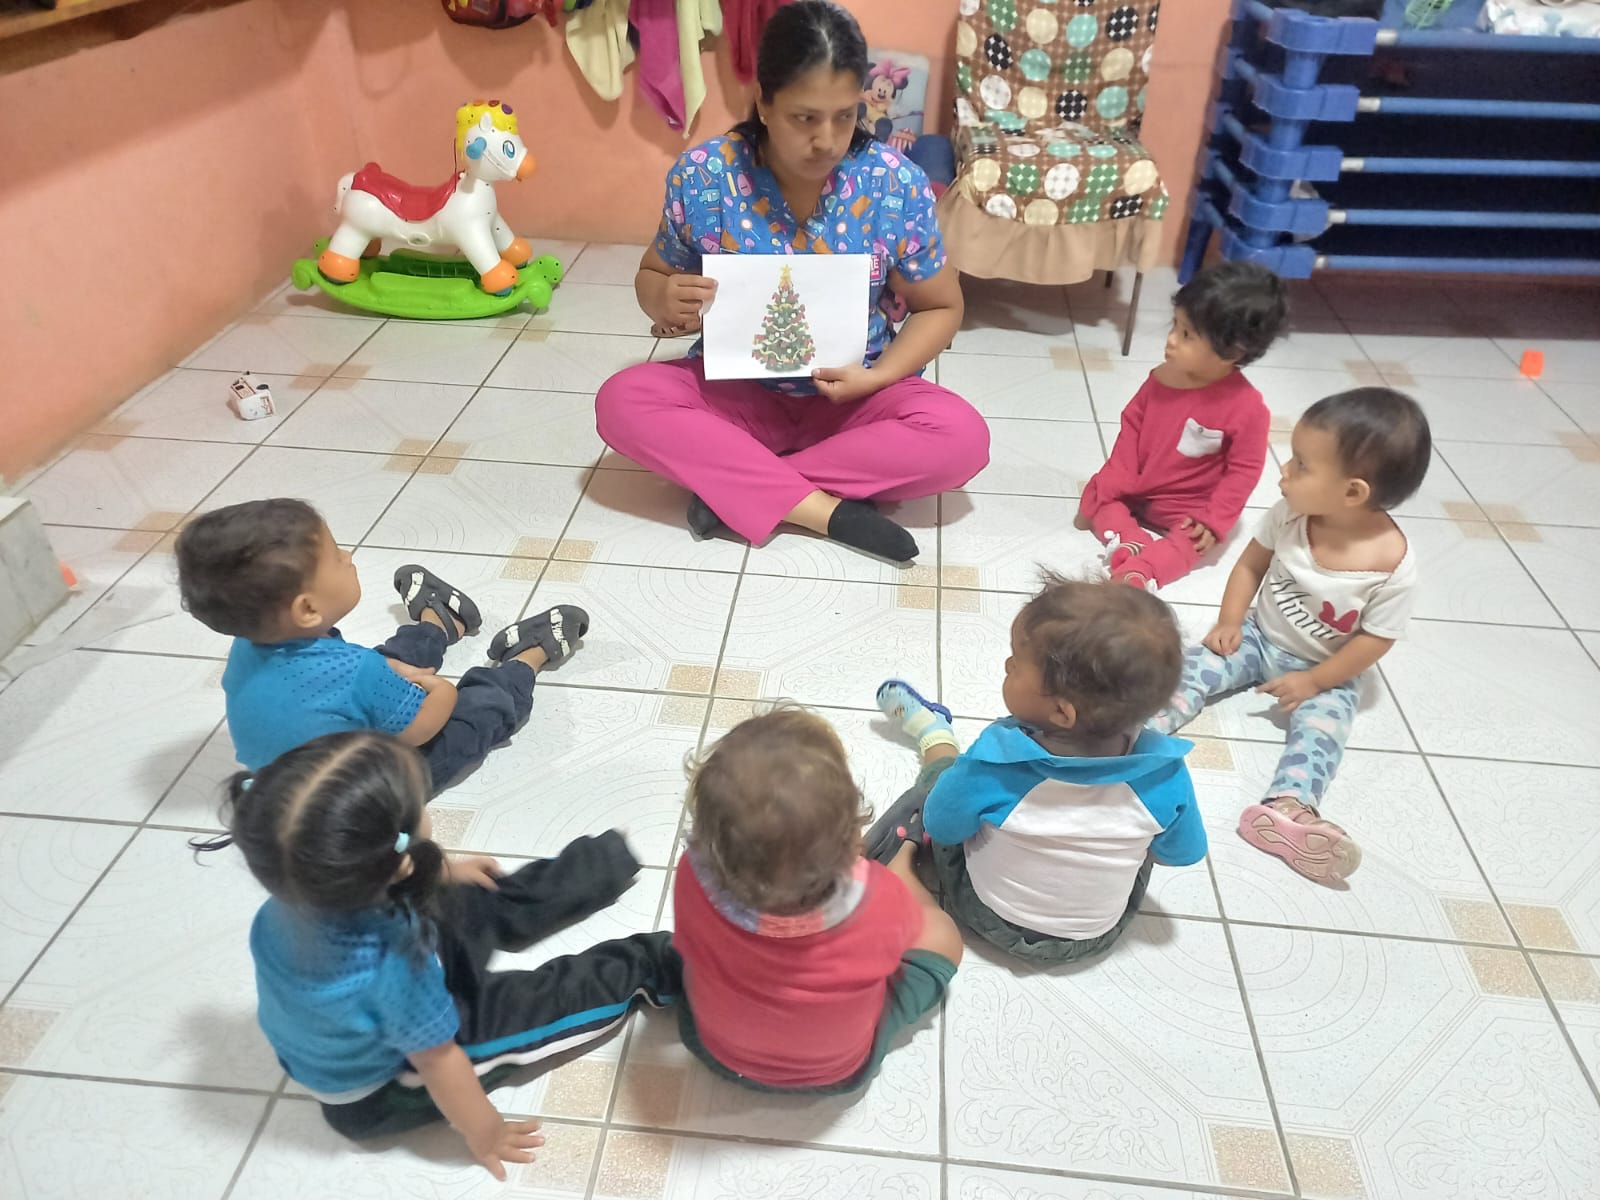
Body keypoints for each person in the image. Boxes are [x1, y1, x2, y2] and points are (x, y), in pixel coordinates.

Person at [595, 0, 989, 564]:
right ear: (763, 101)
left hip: (853, 399)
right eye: (805, 118)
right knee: (623, 401)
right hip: (737, 396)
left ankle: (738, 486)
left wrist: (877, 377)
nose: (827, 140)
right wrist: (663, 297)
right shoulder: (706, 176)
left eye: (845, 116)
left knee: (962, 438)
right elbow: (654, 273)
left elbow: (940, 307)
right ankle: (823, 509)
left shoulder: (892, 183)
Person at [192, 732, 679, 1177]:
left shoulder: (296, 893)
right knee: (545, 999)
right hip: (388, 1087)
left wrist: (444, 873)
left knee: (475, 894)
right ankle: (651, 964)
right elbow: (439, 1063)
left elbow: (407, 874)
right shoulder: (389, 968)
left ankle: (602, 866)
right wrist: (485, 1133)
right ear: (396, 858)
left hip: (389, 977)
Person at [1148, 388, 1431, 886]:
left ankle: (1290, 808)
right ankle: (1137, 730)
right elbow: (1250, 565)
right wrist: (1230, 621)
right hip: (1258, 635)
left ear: (1352, 493)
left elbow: (1374, 640)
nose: (1283, 471)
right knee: (1192, 669)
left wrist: (1317, 681)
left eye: (1301, 465)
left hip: (1327, 669)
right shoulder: (1289, 514)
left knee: (1322, 733)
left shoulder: (1393, 567)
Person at [865, 576, 1204, 963]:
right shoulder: (1167, 772)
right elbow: (1181, 853)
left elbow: (942, 827)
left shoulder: (999, 758)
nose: (1007, 665)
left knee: (940, 787)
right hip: (1094, 936)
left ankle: (935, 737)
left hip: (988, 915)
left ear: (1062, 711)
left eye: (1016, 664)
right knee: (1147, 841)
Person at [175, 498, 589, 791]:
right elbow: (420, 730)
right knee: (473, 716)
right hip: (368, 795)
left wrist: (389, 673)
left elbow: (343, 682)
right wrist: (442, 690)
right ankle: (527, 658)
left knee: (386, 665)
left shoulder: (248, 645)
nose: (349, 555)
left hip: (291, 788)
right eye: (336, 557)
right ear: (307, 609)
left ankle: (440, 622)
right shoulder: (355, 672)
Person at [671, 706, 962, 1091]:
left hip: (715, 1050)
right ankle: (904, 856)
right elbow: (897, 949)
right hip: (835, 1072)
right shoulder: (879, 902)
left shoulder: (690, 877)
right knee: (943, 938)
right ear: (853, 841)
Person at [1075, 261, 1289, 591]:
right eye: (1174, 325)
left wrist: (1214, 519)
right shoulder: (1161, 377)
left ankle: (1144, 570)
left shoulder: (1247, 408)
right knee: (1101, 499)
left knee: (1193, 542)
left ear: (1232, 351)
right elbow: (1132, 425)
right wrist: (1116, 477)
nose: (1171, 340)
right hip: (1137, 490)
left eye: (1187, 334)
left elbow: (1244, 470)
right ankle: (1131, 541)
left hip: (1188, 508)